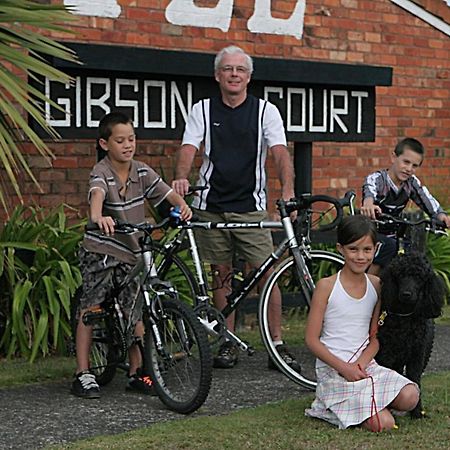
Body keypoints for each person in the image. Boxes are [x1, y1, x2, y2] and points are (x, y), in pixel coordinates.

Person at [172, 45, 298, 370]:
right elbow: (189, 147)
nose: (234, 74)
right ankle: (227, 342)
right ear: (217, 75)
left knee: (265, 275)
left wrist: (287, 189)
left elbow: (280, 152)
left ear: (249, 76)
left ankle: (277, 344)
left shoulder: (265, 111)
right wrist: (181, 178)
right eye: (228, 69)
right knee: (221, 276)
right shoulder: (202, 109)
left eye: (240, 70)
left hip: (249, 206)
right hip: (210, 205)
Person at [71, 111, 192, 399]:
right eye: (120, 140)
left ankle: (138, 372)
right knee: (91, 307)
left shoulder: (141, 170)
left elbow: (165, 192)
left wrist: (181, 205)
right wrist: (98, 217)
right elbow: (96, 194)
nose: (128, 145)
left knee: (137, 308)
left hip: (133, 252)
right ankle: (83, 372)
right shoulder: (101, 171)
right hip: (103, 249)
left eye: (132, 139)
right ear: (104, 143)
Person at [305, 215, 419, 431]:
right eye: (353, 249)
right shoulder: (326, 286)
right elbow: (311, 340)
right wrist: (345, 368)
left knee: (410, 396)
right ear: (340, 249)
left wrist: (360, 365)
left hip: (365, 365)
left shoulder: (376, 285)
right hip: (334, 369)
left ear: (376, 249)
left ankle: (365, 403)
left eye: (367, 250)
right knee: (384, 423)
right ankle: (328, 405)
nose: (360, 256)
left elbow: (374, 337)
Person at [361, 137, 450, 275]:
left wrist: (441, 215)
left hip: (394, 233)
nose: (409, 169)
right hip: (369, 232)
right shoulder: (377, 179)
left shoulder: (411, 183)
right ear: (393, 157)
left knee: (411, 256)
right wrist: (369, 205)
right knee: (389, 247)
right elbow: (369, 192)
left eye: (414, 166)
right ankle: (366, 285)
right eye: (406, 162)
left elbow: (427, 199)